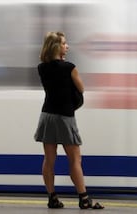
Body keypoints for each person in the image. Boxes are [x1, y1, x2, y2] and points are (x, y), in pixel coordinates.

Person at [34, 31, 104, 209]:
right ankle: (84, 198)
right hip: (65, 117)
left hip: (47, 116)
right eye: (64, 43)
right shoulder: (70, 67)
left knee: (49, 159)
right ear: (56, 47)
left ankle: (52, 197)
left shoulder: (42, 68)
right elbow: (81, 88)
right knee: (74, 159)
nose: (67, 46)